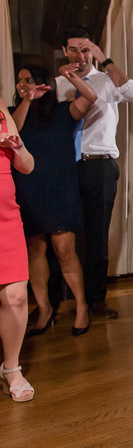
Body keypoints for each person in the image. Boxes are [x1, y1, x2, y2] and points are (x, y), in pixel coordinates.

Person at [55, 27, 133, 320]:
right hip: (65, 166)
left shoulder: (107, 81)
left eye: (86, 49)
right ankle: (60, 301)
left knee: (97, 236)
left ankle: (96, 300)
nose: (80, 56)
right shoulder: (57, 85)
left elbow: (132, 91)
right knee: (60, 234)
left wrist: (105, 59)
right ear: (65, 51)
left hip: (99, 164)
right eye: (74, 50)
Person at [12, 66, 96, 337]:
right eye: (20, 81)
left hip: (60, 186)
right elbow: (14, 130)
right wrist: (27, 99)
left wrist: (70, 77)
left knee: (63, 249)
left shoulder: (63, 112)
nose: (22, 84)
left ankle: (82, 307)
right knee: (35, 249)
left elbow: (91, 96)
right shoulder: (17, 112)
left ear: (44, 84)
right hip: (28, 187)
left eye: (29, 80)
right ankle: (44, 309)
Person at [0, 99, 36, 402]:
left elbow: (26, 165)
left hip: (6, 216)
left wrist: (17, 146)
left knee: (17, 295)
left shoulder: (0, 105)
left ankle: (11, 368)